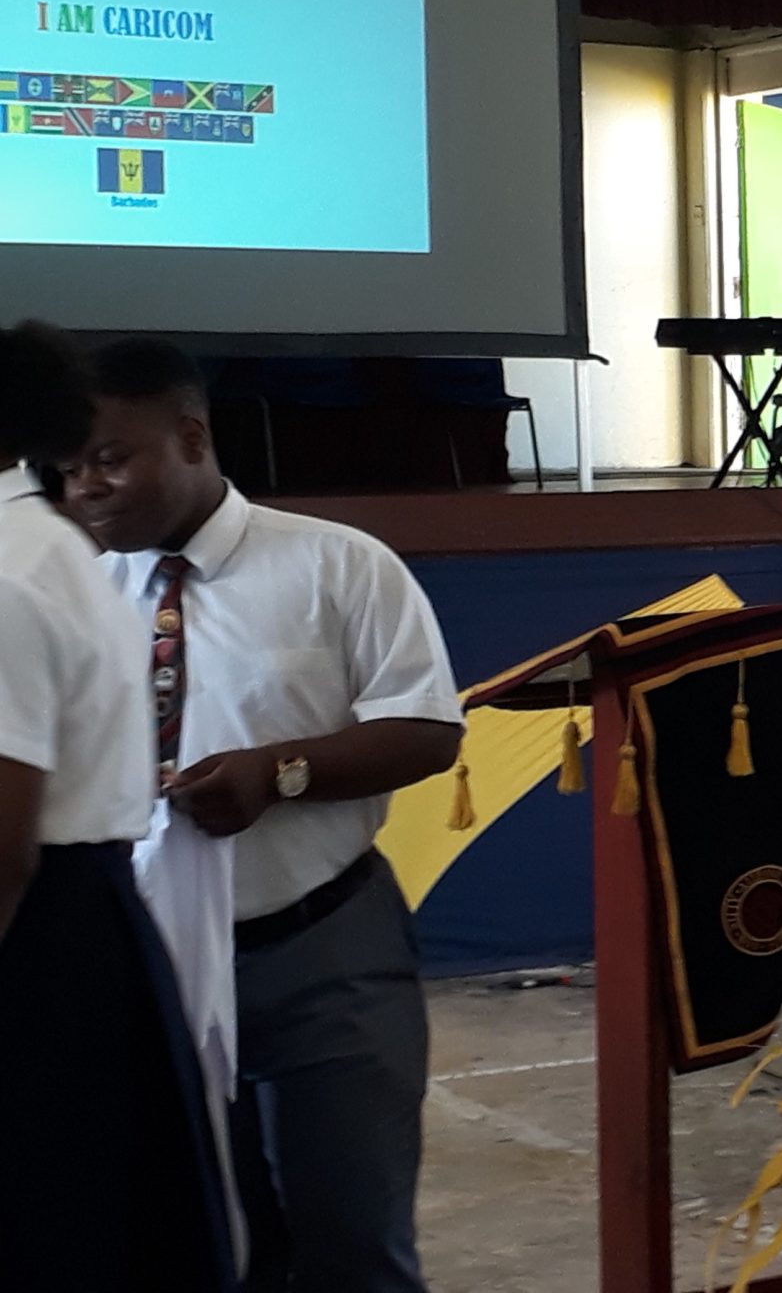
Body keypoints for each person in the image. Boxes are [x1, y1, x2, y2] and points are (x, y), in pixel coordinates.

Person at [65, 338, 463, 1293]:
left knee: (349, 1239)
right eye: (67, 467)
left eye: (110, 459)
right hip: (151, 955)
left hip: (321, 952)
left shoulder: (337, 565)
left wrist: (278, 773)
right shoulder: (73, 593)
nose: (85, 487)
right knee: (207, 1237)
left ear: (192, 437)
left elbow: (424, 730)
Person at [0, 322, 233, 1290]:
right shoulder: (46, 548)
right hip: (82, 924)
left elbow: (3, 839)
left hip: (38, 937)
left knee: (50, 1230)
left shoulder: (10, 569)